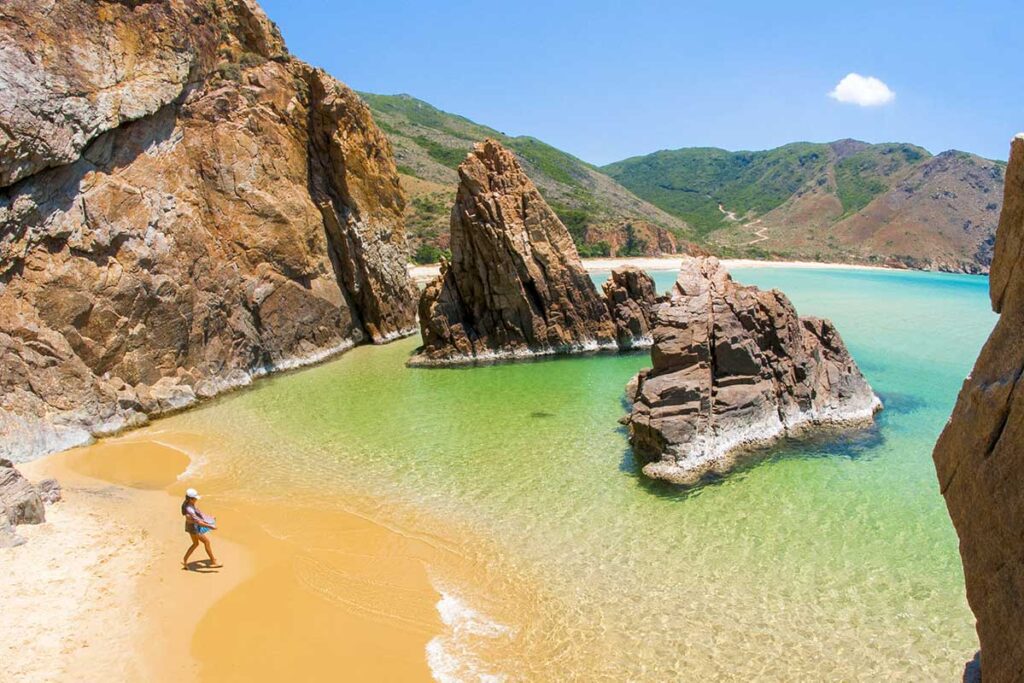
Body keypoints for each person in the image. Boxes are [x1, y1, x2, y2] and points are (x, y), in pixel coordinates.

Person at [181, 488, 220, 569]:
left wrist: (209, 518)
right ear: (191, 499)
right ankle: (213, 561)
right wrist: (210, 526)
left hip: (190, 526)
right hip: (194, 527)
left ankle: (184, 561)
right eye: (195, 498)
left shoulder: (188, 504)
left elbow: (199, 514)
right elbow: (198, 522)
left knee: (195, 544)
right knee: (206, 542)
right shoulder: (190, 510)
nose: (196, 500)